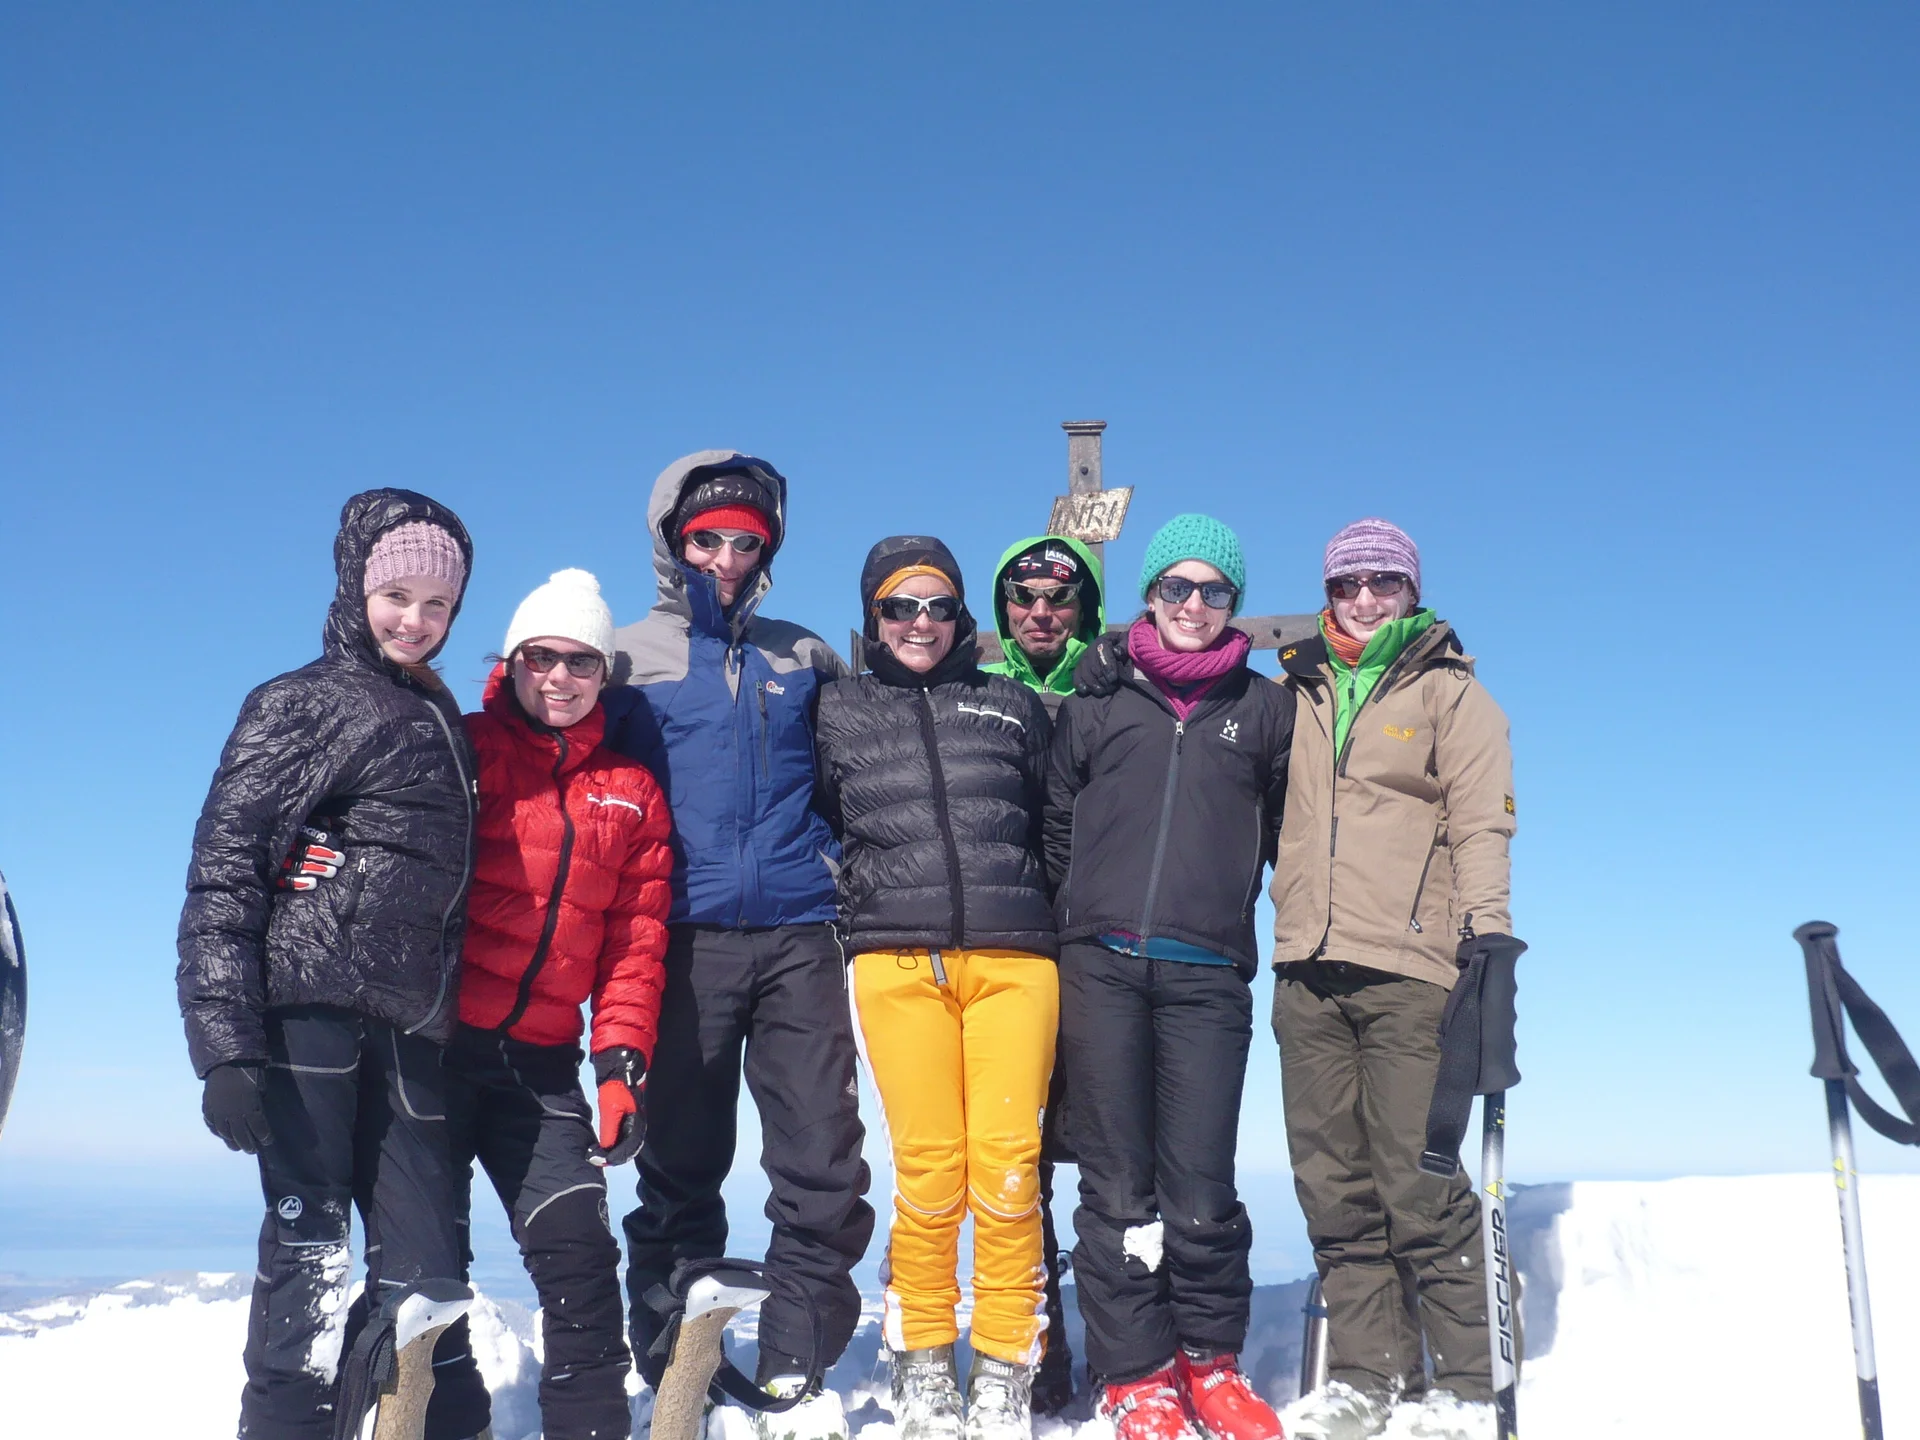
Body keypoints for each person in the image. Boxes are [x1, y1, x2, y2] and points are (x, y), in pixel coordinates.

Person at [178, 491, 477, 1440]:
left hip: (413, 1033)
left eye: (438, 606)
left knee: (422, 1282)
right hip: (306, 1018)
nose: (416, 621)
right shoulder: (298, 702)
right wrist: (224, 1047)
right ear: (355, 586)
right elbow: (227, 874)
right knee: (308, 1266)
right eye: (396, 595)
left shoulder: (441, 718)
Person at [600, 451, 875, 1439]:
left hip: (801, 937)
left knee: (822, 1165)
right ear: (675, 542)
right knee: (681, 1164)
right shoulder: (627, 658)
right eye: (706, 537)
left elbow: (856, 786)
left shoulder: (804, 658)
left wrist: (835, 869)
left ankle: (799, 1359)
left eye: (744, 541)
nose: (725, 555)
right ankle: (678, 1357)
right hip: (682, 941)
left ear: (767, 550)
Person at [1047, 514, 1294, 1440]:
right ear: (1151, 593)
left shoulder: (1264, 711)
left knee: (1201, 1183)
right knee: (1115, 1184)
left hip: (1208, 972)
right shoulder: (1097, 700)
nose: (1194, 605)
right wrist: (1084, 912)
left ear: (1234, 603)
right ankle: (1136, 1373)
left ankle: (1210, 1360)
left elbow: (1279, 831)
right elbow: (1060, 824)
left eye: (1214, 591)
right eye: (1178, 587)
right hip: (1101, 967)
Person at [1268, 518, 1517, 1433]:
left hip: (1413, 970)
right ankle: (1368, 1376)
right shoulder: (1297, 693)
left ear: (1413, 591)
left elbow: (1483, 824)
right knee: (1333, 1186)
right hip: (1304, 970)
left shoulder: (1455, 695)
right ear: (1328, 594)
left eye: (1384, 582)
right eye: (1347, 585)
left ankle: (1465, 1382)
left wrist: (1488, 944)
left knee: (1419, 1182)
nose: (1365, 600)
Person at [416, 568, 673, 1440]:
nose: (559, 678)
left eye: (581, 663)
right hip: (433, 1054)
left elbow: (635, 939)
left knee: (580, 1264)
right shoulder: (461, 746)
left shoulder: (632, 792)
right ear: (512, 661)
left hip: (539, 1065)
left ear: (605, 676)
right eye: (541, 658)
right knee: (428, 1272)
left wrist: (620, 1064)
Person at [814, 537, 1058, 1440]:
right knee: (929, 1168)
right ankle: (921, 1355)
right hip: (895, 959)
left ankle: (1002, 1361)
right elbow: (813, 821)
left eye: (938, 606)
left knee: (1006, 1166)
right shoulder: (837, 711)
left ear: (962, 618)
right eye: (899, 607)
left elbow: (1052, 822)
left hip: (1015, 961)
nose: (920, 623)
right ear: (873, 618)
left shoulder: (1012, 705)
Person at [978, 533, 1107, 1414]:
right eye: (1024, 599)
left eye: (1060, 601)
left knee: (1111, 1152)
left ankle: (1126, 1343)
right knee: (1016, 1163)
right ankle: (1038, 1348)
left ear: (1086, 612)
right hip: (1010, 950)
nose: (1041, 614)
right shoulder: (979, 701)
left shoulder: (1117, 696)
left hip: (1100, 953)